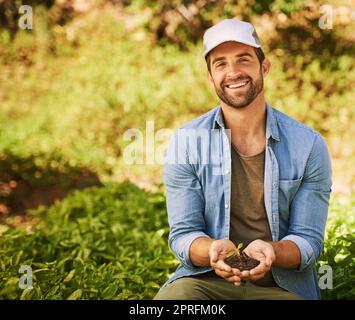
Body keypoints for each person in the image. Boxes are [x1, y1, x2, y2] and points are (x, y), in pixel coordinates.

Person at [154, 19, 332, 300]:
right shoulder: (186, 142)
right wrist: (212, 251)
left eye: (243, 59)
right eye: (220, 64)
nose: (233, 72)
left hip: (281, 287)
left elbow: (308, 242)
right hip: (206, 283)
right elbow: (183, 235)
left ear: (264, 66)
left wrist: (272, 252)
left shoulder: (309, 145)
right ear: (210, 77)